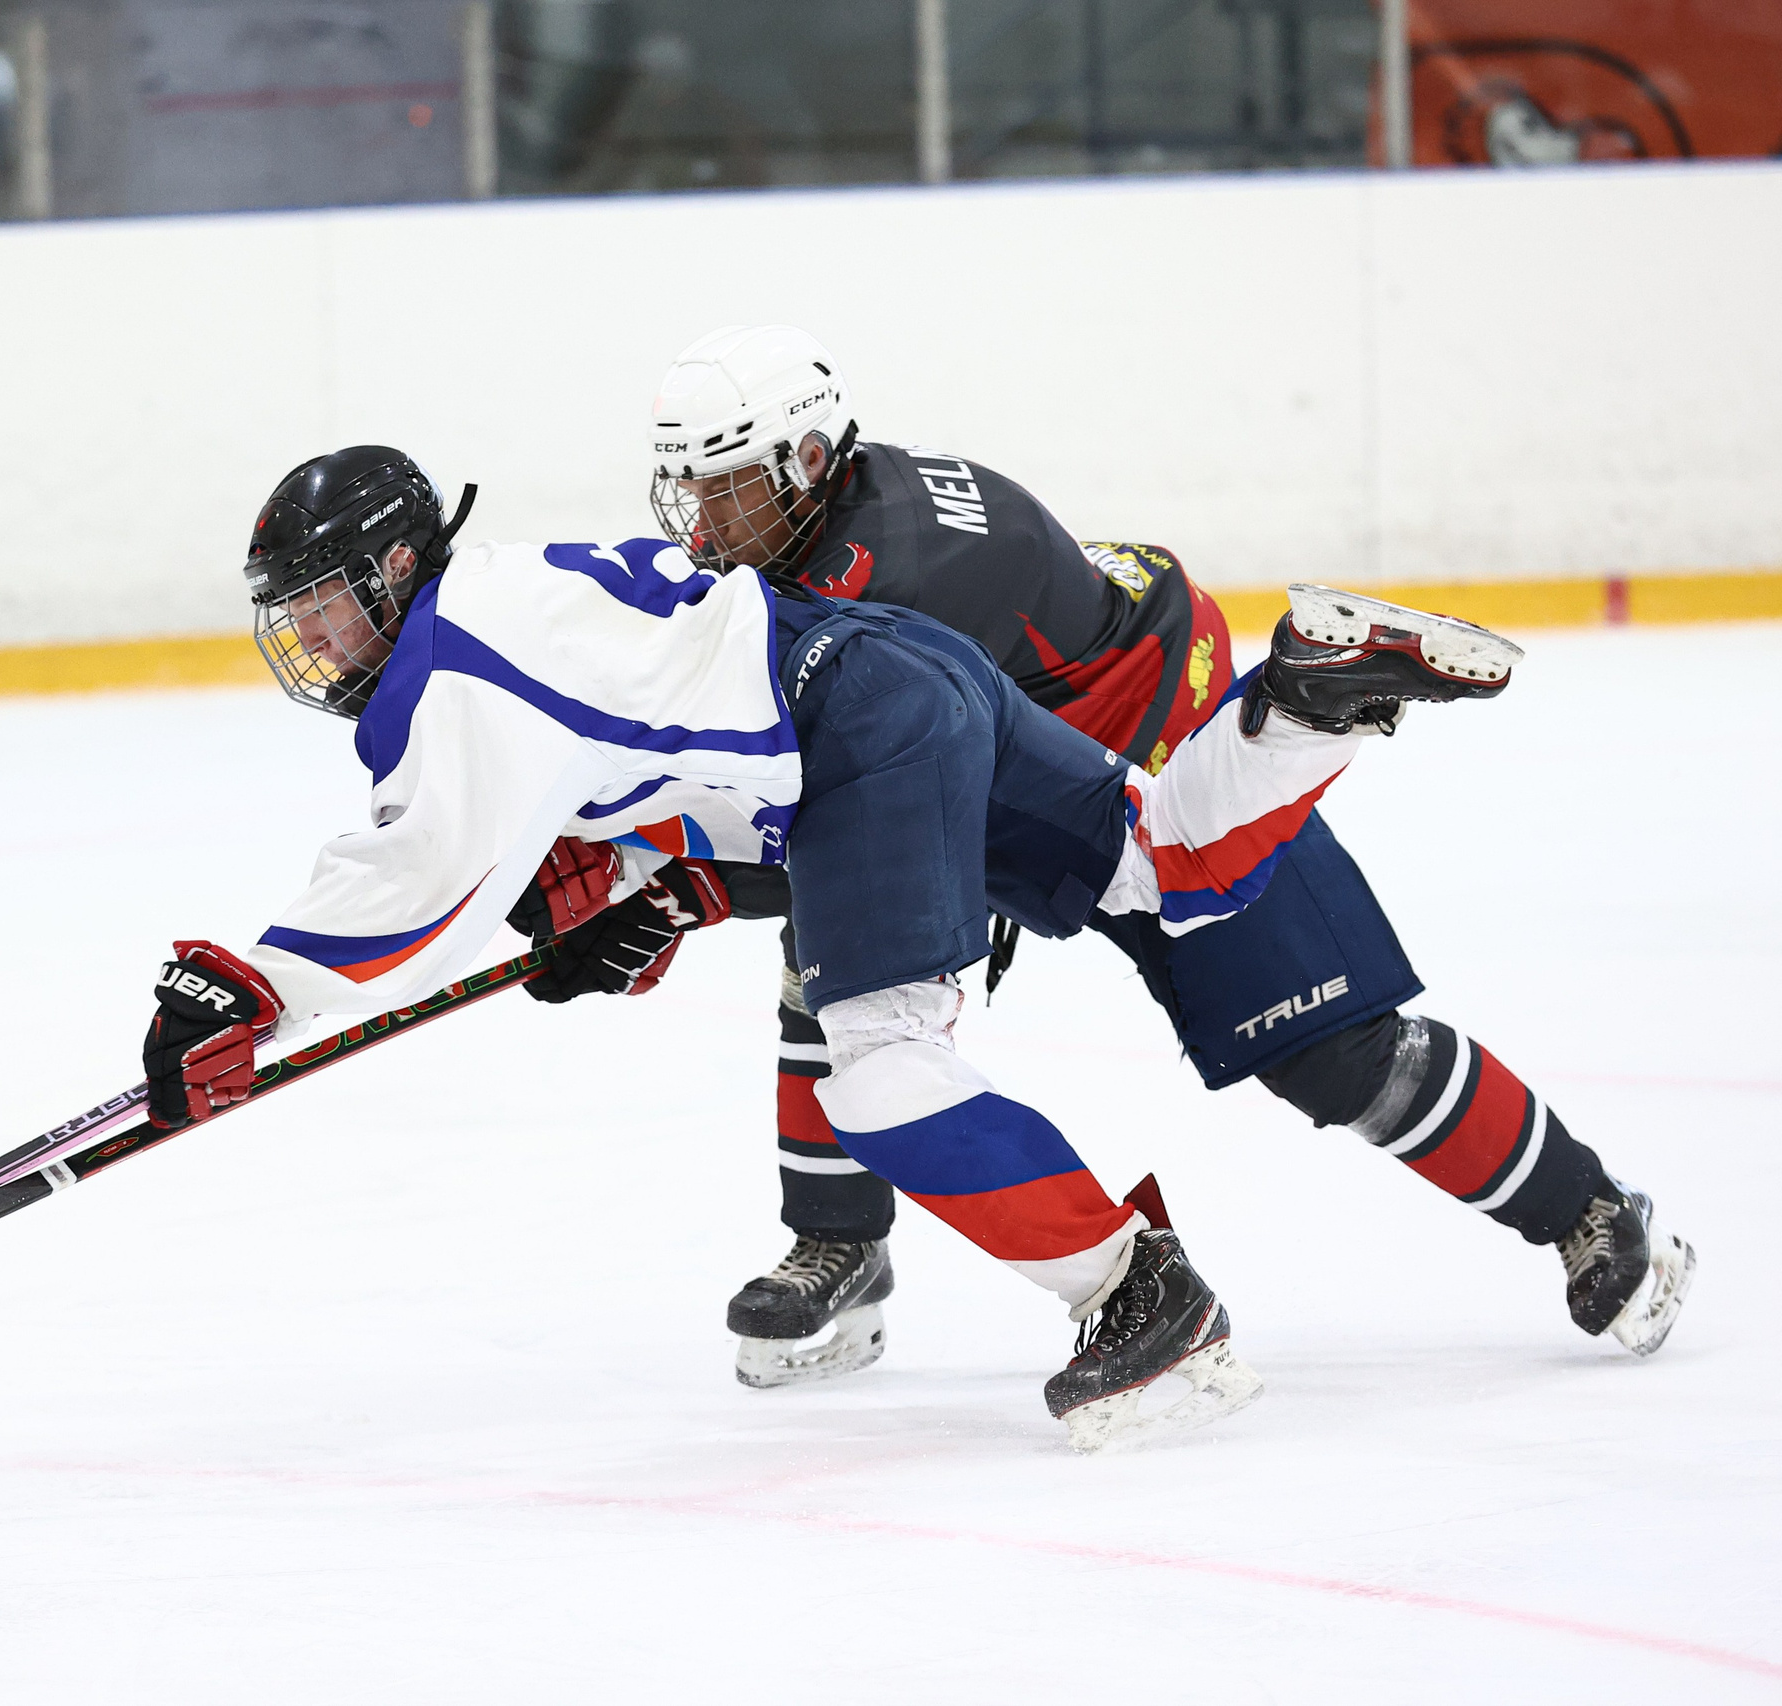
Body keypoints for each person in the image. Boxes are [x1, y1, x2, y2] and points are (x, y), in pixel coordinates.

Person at [138, 442, 1524, 1451]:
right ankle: (1303, 701)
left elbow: (418, 873)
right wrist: (622, 884)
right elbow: (640, 745)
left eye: (321, 601)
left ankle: (1133, 1290)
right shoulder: (513, 589)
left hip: (855, 737)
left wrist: (247, 988)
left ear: (396, 567)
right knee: (1160, 865)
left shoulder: (449, 667)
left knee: (883, 1071)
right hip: (899, 663)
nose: (308, 636)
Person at [645, 324, 1696, 1389]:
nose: (703, 522)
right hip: (1016, 739)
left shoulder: (888, 576)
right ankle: (840, 1241)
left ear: (808, 461)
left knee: (1333, 1049)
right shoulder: (824, 531)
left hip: (1150, 744)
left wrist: (674, 886)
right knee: (834, 954)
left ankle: (1592, 1210)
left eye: (728, 489)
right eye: (689, 489)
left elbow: (826, 795)